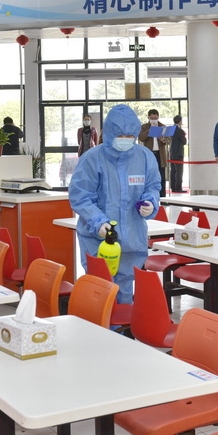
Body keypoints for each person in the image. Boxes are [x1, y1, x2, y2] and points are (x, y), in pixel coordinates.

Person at [69, 105, 160, 304]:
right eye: (120, 135)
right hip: (97, 239)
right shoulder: (92, 158)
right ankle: (100, 324)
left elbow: (153, 186)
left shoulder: (145, 157)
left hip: (132, 237)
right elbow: (80, 196)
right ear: (109, 132)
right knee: (100, 292)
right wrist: (98, 221)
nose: (125, 140)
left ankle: (121, 323)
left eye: (130, 136)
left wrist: (151, 202)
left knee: (125, 291)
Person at [139, 109, 171, 197]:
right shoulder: (144, 127)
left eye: (155, 118)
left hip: (160, 155)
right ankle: (148, 196)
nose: (154, 120)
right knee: (149, 176)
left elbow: (169, 140)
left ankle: (163, 197)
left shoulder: (163, 127)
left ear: (158, 117)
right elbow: (141, 137)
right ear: (148, 117)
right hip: (149, 154)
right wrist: (150, 130)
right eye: (152, 118)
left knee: (161, 176)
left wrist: (163, 139)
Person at [169, 115, 187, 193]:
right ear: (180, 121)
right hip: (178, 153)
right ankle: (178, 187)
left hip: (172, 152)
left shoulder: (170, 129)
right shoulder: (180, 131)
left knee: (173, 170)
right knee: (179, 171)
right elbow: (184, 141)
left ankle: (173, 187)